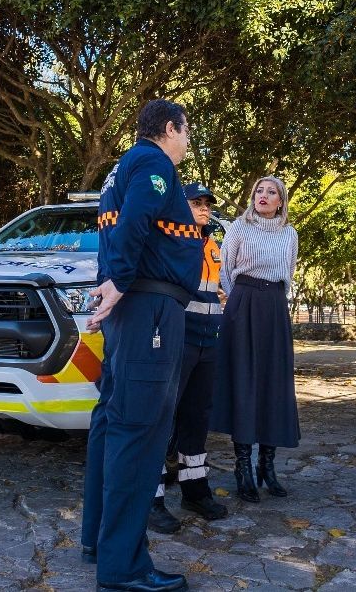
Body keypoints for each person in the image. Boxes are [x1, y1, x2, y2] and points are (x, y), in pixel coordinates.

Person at [80, 100, 204, 592]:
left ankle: (99, 542)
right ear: (171, 128)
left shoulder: (120, 168)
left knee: (111, 420)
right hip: (150, 308)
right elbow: (133, 223)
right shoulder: (153, 163)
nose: (188, 140)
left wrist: (110, 284)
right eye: (186, 130)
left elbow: (115, 233)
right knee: (140, 429)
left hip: (133, 309)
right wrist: (120, 281)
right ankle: (125, 568)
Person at [212, 175, 300, 502]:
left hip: (275, 308)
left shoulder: (289, 234)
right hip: (243, 305)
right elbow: (225, 271)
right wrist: (241, 302)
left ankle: (268, 464)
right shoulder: (238, 228)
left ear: (281, 200)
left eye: (271, 192)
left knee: (273, 384)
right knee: (244, 382)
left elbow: (288, 274)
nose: (263, 196)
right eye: (259, 191)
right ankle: (243, 466)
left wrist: (269, 300)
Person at [148, 183, 230, 533]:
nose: (203, 208)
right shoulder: (171, 241)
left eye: (207, 203)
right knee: (161, 419)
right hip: (176, 340)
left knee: (197, 418)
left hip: (207, 342)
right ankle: (150, 500)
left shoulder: (211, 244)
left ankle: (195, 491)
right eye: (195, 203)